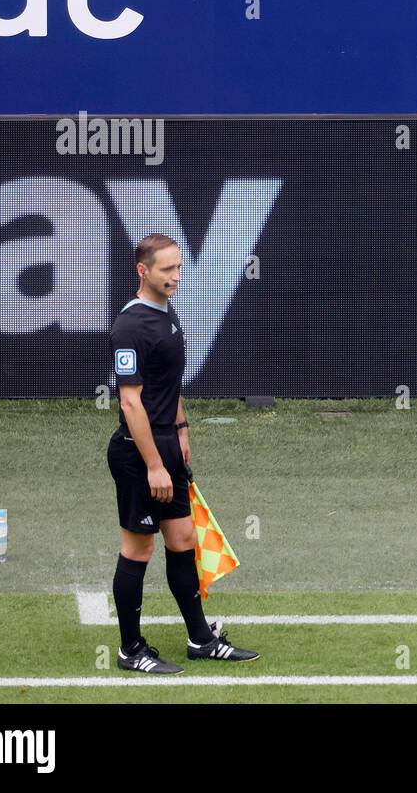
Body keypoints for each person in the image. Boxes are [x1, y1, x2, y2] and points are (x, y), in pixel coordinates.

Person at [107, 233, 258, 673]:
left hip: (168, 445)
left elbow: (166, 383)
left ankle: (201, 640)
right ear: (143, 271)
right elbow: (131, 402)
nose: (176, 276)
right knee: (138, 550)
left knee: (184, 540)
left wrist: (182, 426)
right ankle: (130, 650)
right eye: (166, 269)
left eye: (177, 268)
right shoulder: (130, 327)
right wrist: (154, 463)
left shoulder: (166, 312)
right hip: (139, 454)